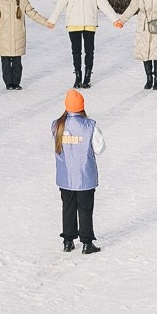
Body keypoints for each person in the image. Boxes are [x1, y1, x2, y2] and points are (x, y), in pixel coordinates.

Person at [54, 88, 104, 254]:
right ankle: (87, 242)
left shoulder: (57, 125)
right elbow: (99, 148)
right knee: (85, 208)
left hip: (65, 177)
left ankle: (68, 241)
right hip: (85, 176)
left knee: (68, 207)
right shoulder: (90, 126)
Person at [0, 0, 55, 91]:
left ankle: (16, 83)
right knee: (6, 64)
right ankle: (8, 83)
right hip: (4, 38)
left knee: (17, 63)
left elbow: (33, 13)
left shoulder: (22, 0)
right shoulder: (0, 1)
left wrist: (47, 23)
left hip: (18, 37)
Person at [59, 0, 107, 88]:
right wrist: (51, 21)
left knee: (89, 51)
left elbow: (103, 4)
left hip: (89, 24)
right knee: (76, 51)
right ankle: (78, 77)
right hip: (73, 24)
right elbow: (60, 5)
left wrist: (116, 19)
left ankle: (87, 77)